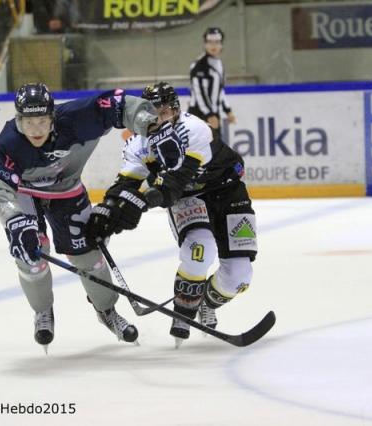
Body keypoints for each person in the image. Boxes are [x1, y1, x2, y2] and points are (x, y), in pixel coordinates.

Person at [0, 82, 159, 352]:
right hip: (24, 194)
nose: (36, 130)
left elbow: (119, 104)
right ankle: (42, 310)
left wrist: (149, 123)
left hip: (66, 190)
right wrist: (14, 219)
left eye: (42, 121)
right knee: (31, 256)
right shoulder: (7, 144)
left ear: (53, 117)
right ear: (18, 120)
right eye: (29, 123)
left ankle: (106, 311)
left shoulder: (77, 119)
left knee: (87, 255)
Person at [85, 82, 257, 347]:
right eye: (153, 112)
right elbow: (126, 184)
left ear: (176, 109)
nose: (159, 118)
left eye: (164, 111)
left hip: (227, 191)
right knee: (200, 249)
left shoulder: (194, 129)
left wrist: (141, 201)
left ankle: (205, 302)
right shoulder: (137, 144)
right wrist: (108, 209)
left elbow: (176, 182)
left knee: (239, 276)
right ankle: (183, 314)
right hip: (189, 198)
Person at [188, 27, 236, 142]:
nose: (213, 46)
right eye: (210, 42)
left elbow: (219, 90)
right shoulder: (199, 65)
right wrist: (209, 114)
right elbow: (199, 92)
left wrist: (227, 110)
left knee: (215, 149)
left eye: (217, 42)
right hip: (198, 114)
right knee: (200, 149)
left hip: (213, 113)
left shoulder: (219, 64)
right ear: (205, 44)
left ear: (221, 44)